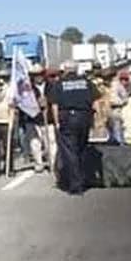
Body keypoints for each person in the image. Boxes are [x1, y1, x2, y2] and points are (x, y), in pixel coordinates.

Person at [48, 60, 100, 194]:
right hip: (84, 117)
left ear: (65, 69)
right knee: (82, 148)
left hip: (67, 118)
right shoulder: (87, 82)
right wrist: (97, 121)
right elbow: (96, 102)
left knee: (69, 151)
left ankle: (75, 185)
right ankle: (83, 178)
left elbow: (54, 105)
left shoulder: (59, 84)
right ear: (76, 69)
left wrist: (57, 122)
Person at [108, 70, 130, 145]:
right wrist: (124, 102)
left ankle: (119, 141)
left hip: (121, 110)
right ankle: (118, 142)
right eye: (122, 79)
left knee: (121, 127)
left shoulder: (124, 87)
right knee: (116, 127)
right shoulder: (116, 85)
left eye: (126, 79)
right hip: (116, 109)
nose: (124, 81)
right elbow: (113, 100)